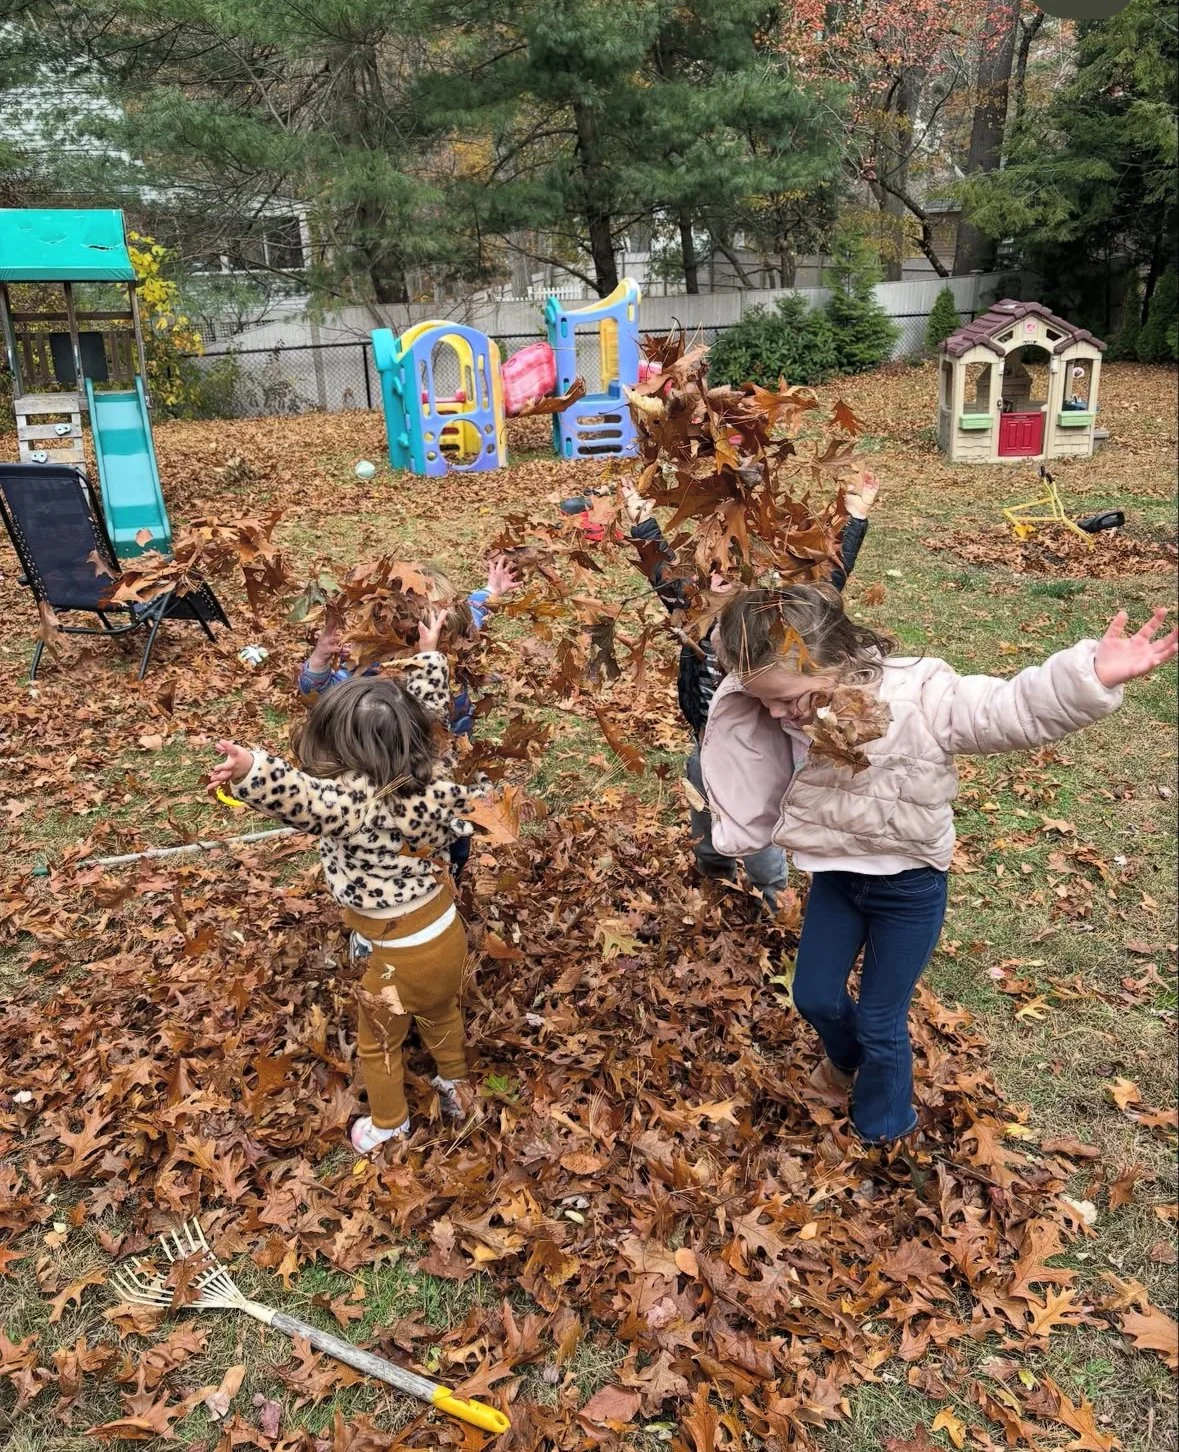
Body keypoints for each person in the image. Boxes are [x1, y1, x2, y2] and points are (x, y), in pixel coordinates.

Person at [699, 587, 1176, 1147]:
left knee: (881, 1019)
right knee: (814, 997)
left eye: (789, 698)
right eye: (766, 701)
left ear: (832, 658)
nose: (778, 712)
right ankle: (844, 1061)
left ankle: (884, 1128)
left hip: (908, 886)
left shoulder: (920, 693)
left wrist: (1087, 675)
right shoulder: (775, 702)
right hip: (835, 876)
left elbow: (1008, 708)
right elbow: (745, 751)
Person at [210, 612, 487, 1153]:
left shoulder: (353, 803)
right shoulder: (437, 765)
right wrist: (430, 654)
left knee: (379, 1042)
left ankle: (388, 1125)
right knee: (441, 1010)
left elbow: (301, 796)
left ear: (346, 750)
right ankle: (456, 1083)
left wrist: (251, 770)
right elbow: (425, 708)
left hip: (395, 956)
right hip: (443, 931)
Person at [620, 476, 878, 912]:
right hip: (707, 740)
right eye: (710, 567)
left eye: (730, 567)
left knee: (757, 830)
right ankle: (715, 876)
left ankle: (772, 897)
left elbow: (829, 581)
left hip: (759, 747)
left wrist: (855, 518)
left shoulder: (774, 623)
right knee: (704, 817)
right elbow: (662, 572)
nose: (717, 576)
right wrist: (643, 522)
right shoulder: (694, 608)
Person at [297, 556, 518, 883]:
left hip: (447, 774)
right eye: (428, 645)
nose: (445, 651)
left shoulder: (453, 643)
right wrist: (319, 660)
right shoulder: (373, 678)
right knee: (404, 849)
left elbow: (472, 612)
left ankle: (450, 881)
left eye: (448, 638)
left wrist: (491, 590)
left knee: (456, 839)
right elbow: (319, 697)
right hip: (391, 787)